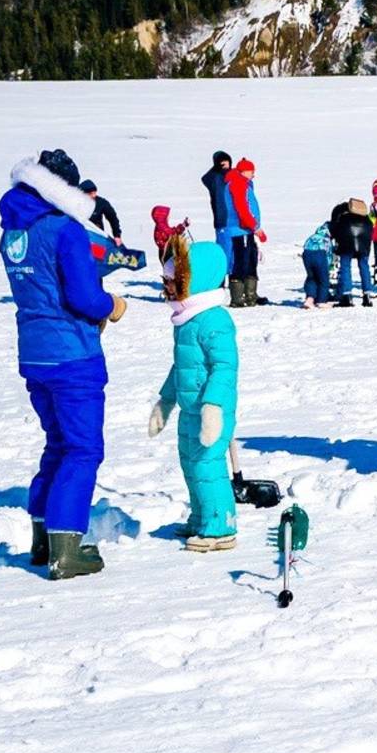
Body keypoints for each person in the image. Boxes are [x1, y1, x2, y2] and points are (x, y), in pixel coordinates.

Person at [0, 149, 127, 579]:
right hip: (72, 355)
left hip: (33, 354)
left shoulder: (13, 232)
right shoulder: (64, 231)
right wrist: (112, 304)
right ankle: (66, 548)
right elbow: (83, 298)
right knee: (83, 449)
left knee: (57, 445)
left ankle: (42, 538)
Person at [148, 235, 241, 552]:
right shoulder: (185, 321)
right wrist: (166, 401)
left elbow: (225, 367)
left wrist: (214, 406)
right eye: (166, 280)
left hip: (211, 411)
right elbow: (182, 367)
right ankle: (201, 519)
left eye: (173, 280)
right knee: (190, 463)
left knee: (207, 466)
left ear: (194, 281)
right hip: (190, 410)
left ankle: (220, 525)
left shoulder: (214, 320)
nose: (167, 286)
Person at [227, 157, 265, 307]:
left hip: (246, 229)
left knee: (251, 259)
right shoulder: (237, 183)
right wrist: (255, 227)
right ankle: (238, 297)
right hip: (240, 229)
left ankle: (250, 295)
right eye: (251, 172)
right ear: (244, 171)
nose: (253, 175)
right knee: (241, 261)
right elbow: (242, 209)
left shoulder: (244, 183)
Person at [329, 197, 375, 306]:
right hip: (364, 246)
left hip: (347, 245)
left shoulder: (343, 217)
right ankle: (367, 296)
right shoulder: (367, 220)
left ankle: (347, 295)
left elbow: (335, 231)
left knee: (345, 267)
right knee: (364, 267)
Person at [203, 151, 236, 262]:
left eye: (226, 162)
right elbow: (205, 179)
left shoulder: (233, 176)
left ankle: (233, 277)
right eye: (221, 163)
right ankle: (221, 276)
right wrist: (216, 168)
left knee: (235, 253)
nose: (225, 165)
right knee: (224, 252)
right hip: (222, 221)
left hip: (235, 221)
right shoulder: (215, 178)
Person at [300, 220, 335, 307]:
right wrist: (329, 266)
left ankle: (309, 298)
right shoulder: (326, 240)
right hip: (320, 255)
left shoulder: (313, 236)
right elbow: (329, 255)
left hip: (307, 255)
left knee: (311, 277)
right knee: (323, 279)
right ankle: (321, 300)